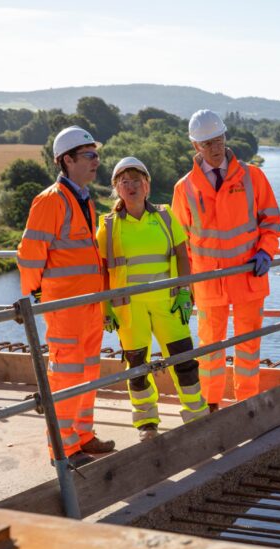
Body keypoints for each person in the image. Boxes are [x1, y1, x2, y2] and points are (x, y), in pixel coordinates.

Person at [172, 109, 280, 411]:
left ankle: (247, 404)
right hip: (208, 283)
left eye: (219, 139)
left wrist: (266, 251)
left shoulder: (252, 176)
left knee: (249, 347)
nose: (216, 148)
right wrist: (185, 284)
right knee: (210, 350)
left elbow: (271, 222)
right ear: (196, 146)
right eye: (208, 143)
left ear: (225, 137)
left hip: (249, 277)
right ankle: (211, 405)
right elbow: (179, 243)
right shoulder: (184, 188)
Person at [17, 126, 115, 468]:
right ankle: (63, 449)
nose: (96, 162)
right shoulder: (50, 201)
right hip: (65, 309)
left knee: (88, 373)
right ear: (67, 160)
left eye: (96, 155)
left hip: (89, 306)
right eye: (89, 155)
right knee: (66, 377)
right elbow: (29, 256)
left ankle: (84, 436)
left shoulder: (84, 199)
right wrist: (36, 295)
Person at [97, 157, 209, 441]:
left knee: (184, 361)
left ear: (147, 185)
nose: (131, 186)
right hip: (129, 310)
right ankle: (147, 423)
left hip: (168, 304)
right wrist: (104, 306)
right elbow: (101, 269)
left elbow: (182, 254)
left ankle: (196, 415)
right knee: (136, 369)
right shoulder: (108, 226)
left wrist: (186, 291)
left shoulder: (164, 216)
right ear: (117, 189)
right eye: (124, 182)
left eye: (136, 180)